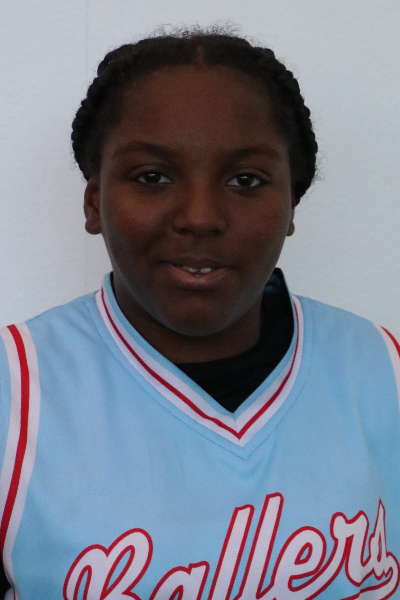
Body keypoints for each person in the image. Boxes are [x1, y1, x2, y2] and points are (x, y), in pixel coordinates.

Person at [0, 27, 399, 599]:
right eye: (152, 177)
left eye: (245, 180)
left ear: (291, 203)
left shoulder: (384, 370)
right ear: (94, 202)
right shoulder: (16, 389)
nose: (200, 217)